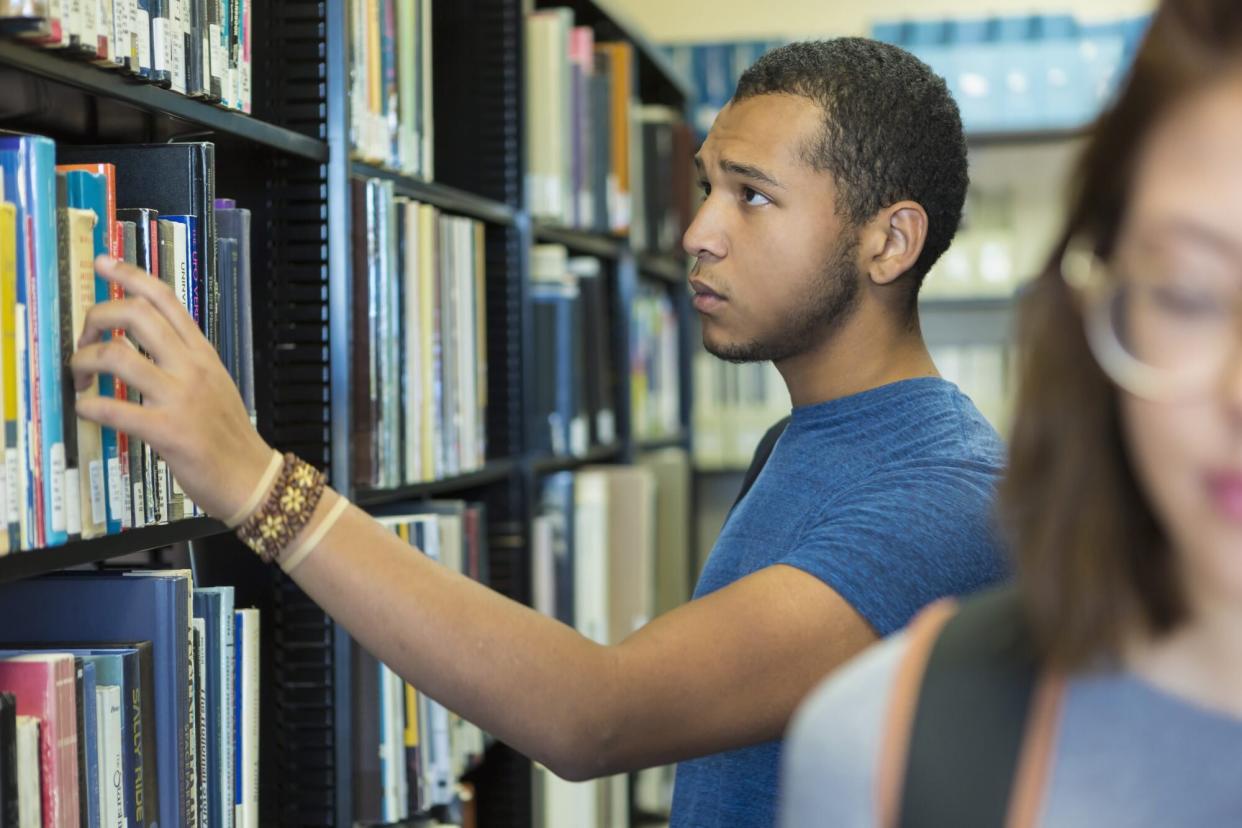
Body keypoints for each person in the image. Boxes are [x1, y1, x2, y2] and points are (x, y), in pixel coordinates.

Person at [71, 38, 1007, 827]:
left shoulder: (942, 499)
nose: (697, 232)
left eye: (752, 197)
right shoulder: (807, 439)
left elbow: (595, 717)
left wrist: (259, 484)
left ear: (890, 241)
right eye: (706, 187)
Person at [780, 2, 1242, 825]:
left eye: (752, 195)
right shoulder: (889, 750)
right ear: (1089, 305)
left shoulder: (934, 481)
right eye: (1188, 294)